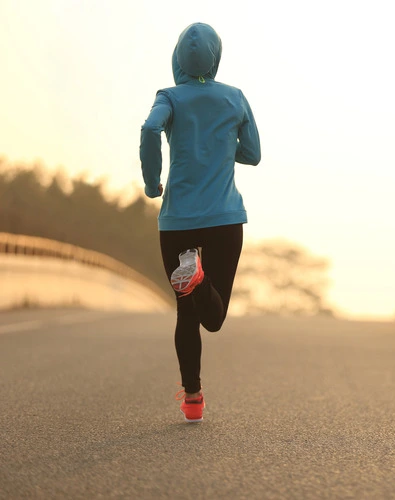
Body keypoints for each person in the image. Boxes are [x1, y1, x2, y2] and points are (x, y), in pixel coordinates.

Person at [140, 22, 261, 422]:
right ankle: (198, 279)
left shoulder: (169, 97)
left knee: (185, 314)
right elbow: (254, 154)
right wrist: (221, 149)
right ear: (216, 57)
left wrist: (151, 182)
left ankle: (193, 398)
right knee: (214, 317)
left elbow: (150, 128)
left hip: (178, 223)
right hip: (225, 218)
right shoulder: (235, 98)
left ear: (178, 58)